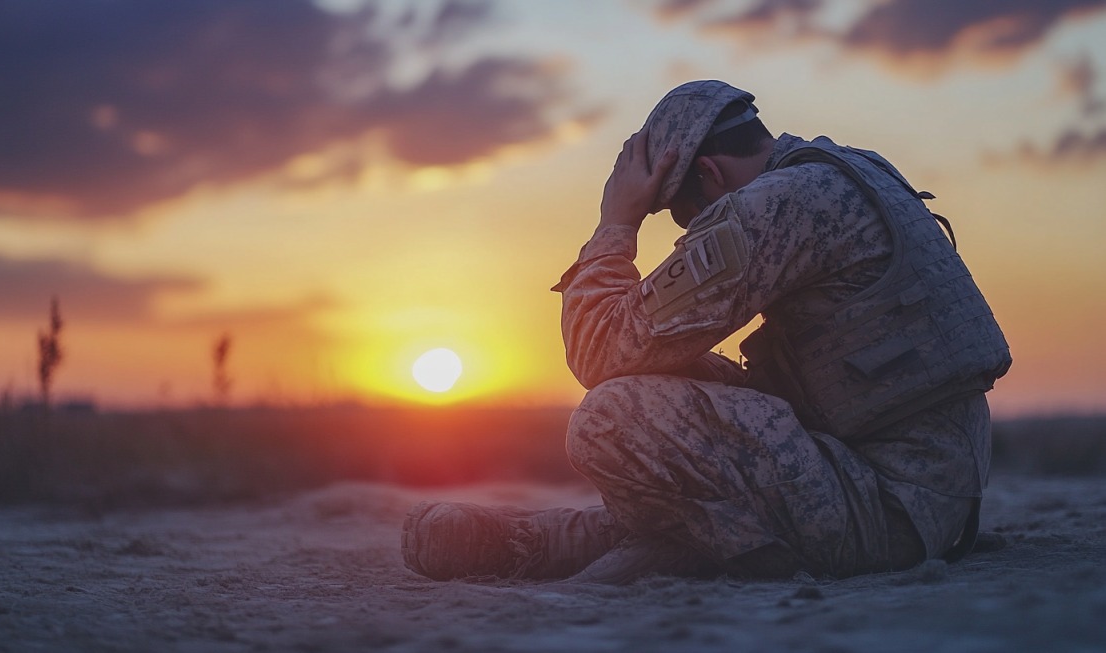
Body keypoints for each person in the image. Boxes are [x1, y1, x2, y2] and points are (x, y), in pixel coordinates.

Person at [401, 80, 1012, 583]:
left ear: (712, 176)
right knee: (671, 372)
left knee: (611, 417)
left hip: (889, 508)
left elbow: (601, 352)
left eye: (683, 217)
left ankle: (616, 549)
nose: (686, 232)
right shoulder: (846, 171)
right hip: (927, 489)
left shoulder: (774, 206)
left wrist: (616, 222)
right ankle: (554, 543)